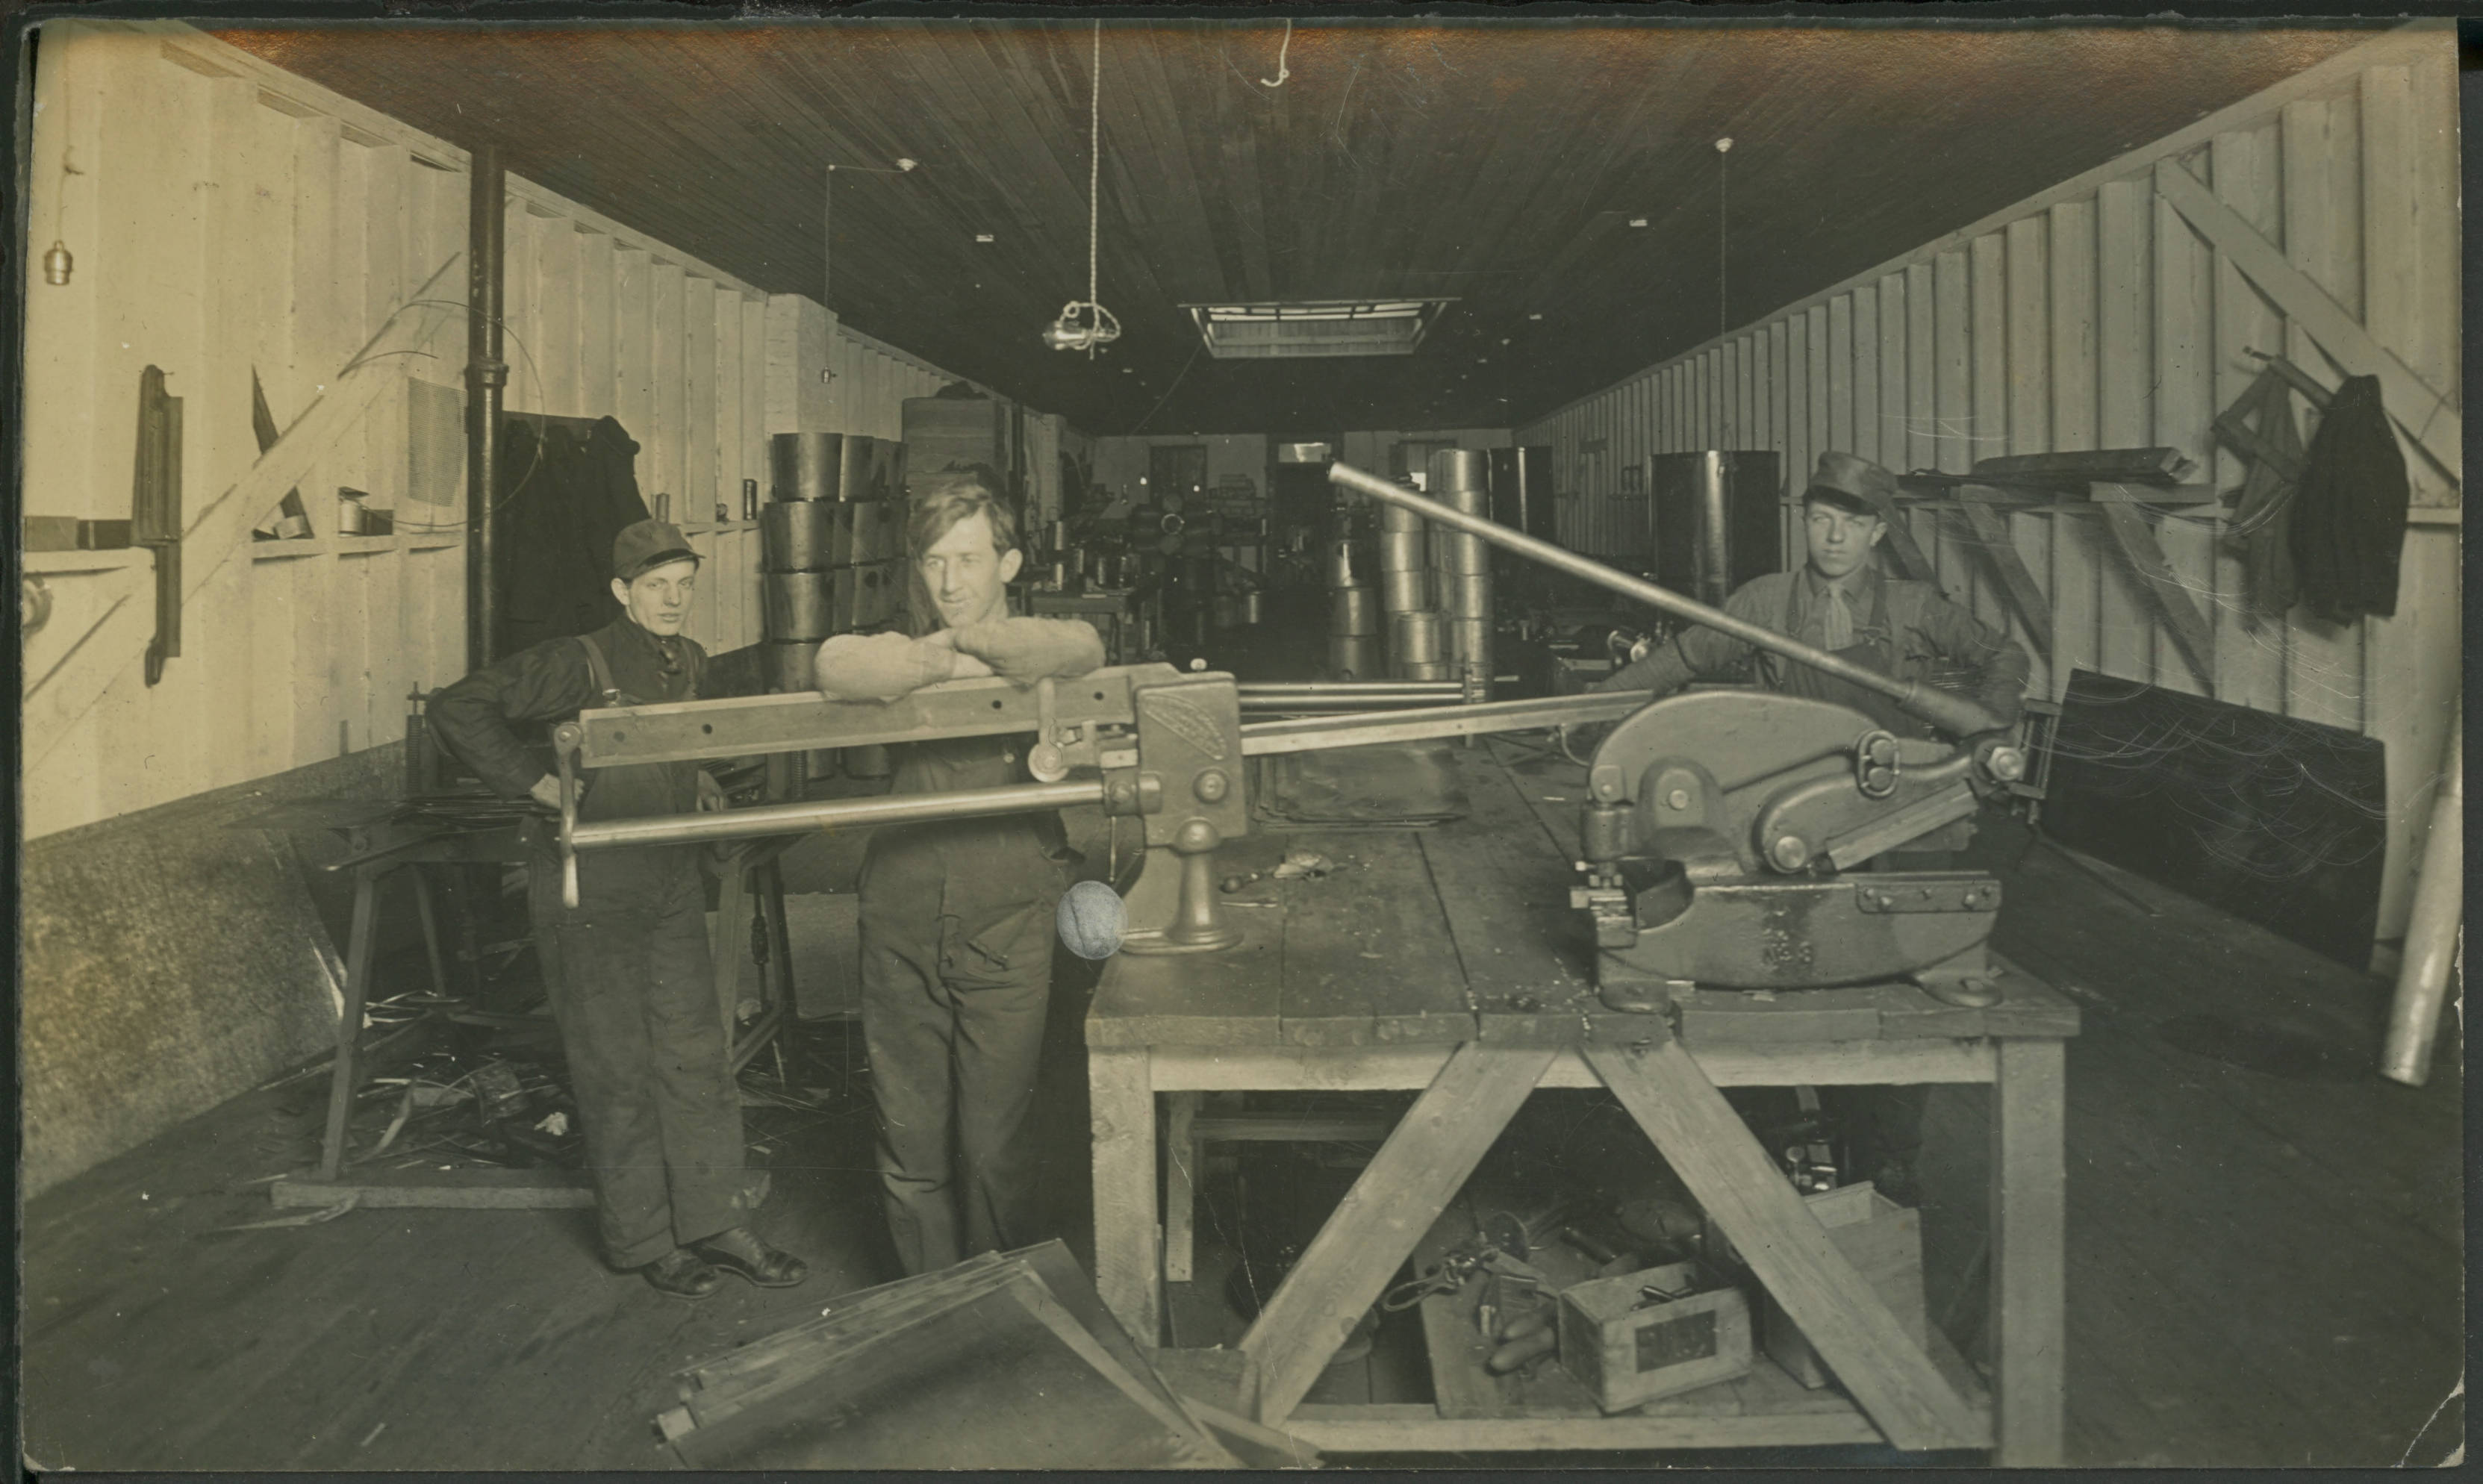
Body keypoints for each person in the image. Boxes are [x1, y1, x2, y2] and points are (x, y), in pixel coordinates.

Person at [1601, 451, 2032, 1203]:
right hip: (1790, 822)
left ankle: (1888, 1160)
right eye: (1819, 519)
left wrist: (1981, 724)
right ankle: (1777, 1151)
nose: (1832, 537)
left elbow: (2005, 653)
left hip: (1896, 823)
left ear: (1875, 533)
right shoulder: (1764, 602)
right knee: (1776, 979)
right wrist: (1592, 708)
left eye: (1851, 524)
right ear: (1803, 523)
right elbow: (1682, 656)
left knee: (1901, 990)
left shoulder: (1913, 607)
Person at [429, 519, 808, 1299]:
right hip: (592, 885)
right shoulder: (577, 660)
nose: (672, 599)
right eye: (655, 586)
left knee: (694, 1054)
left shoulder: (691, 661)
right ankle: (644, 1241)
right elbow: (458, 707)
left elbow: (675, 745)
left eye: (683, 585)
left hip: (667, 878)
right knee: (616, 1063)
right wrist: (535, 786)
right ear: (621, 591)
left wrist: (697, 782)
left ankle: (713, 1221)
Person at [811, 468, 1106, 1276]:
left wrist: (957, 647)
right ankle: (928, 1310)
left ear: (1008, 565)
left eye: (969, 560)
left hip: (1002, 919)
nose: (949, 580)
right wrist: (937, 658)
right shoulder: (898, 647)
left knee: (993, 1144)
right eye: (935, 561)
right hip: (900, 915)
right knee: (907, 1141)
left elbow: (1080, 646)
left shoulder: (1040, 643)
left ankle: (1007, 1313)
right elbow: (836, 667)